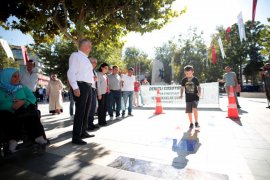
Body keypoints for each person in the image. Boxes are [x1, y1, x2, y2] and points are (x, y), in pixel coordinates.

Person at [0, 68, 47, 152]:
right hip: (7, 112)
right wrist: (12, 105)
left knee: (32, 113)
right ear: (6, 77)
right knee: (7, 116)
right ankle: (12, 141)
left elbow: (32, 98)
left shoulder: (22, 87)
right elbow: (2, 102)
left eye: (18, 76)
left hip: (22, 110)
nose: (18, 78)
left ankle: (38, 137)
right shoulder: (1, 90)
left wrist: (23, 101)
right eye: (14, 76)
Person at [67, 38, 95, 145]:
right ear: (83, 46)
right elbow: (71, 72)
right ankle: (76, 137)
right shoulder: (75, 56)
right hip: (80, 86)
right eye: (89, 46)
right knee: (80, 112)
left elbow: (87, 75)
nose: (90, 48)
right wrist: (75, 87)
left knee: (86, 111)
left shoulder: (86, 59)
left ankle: (83, 131)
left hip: (88, 87)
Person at [88, 58, 99, 130]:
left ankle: (91, 123)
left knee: (93, 108)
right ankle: (88, 124)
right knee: (89, 108)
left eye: (96, 62)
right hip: (89, 89)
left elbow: (95, 81)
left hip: (94, 90)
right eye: (93, 62)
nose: (95, 63)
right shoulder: (87, 70)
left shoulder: (94, 71)